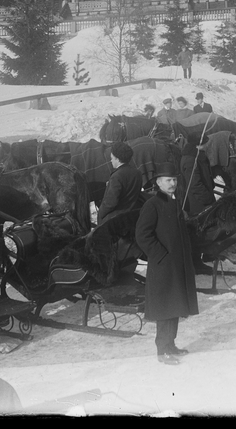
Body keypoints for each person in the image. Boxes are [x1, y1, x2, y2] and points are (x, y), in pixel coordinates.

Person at [135, 162, 199, 365]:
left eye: (174, 180)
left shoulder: (175, 201)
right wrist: (160, 255)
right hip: (163, 266)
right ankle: (162, 351)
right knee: (164, 309)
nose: (172, 183)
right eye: (168, 180)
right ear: (158, 182)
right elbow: (142, 235)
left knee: (176, 306)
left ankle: (171, 345)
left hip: (177, 265)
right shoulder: (152, 205)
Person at [97, 141, 144, 229]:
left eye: (112, 158)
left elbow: (111, 203)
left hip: (117, 218)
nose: (111, 161)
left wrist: (101, 214)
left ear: (118, 159)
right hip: (134, 212)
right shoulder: (137, 172)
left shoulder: (116, 176)